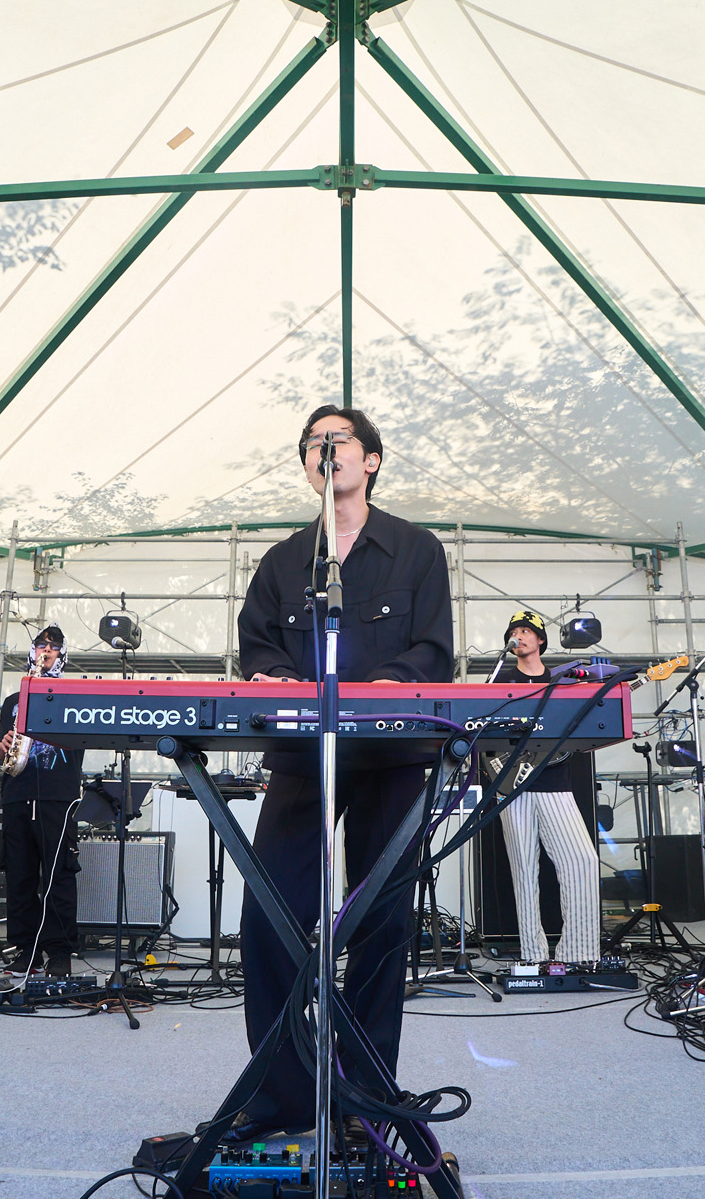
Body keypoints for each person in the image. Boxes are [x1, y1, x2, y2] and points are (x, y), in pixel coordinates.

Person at [230, 405, 453, 1139]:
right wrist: (268, 677)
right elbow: (257, 644)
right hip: (303, 755)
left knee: (382, 923)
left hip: (391, 755)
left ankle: (365, 1100)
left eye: (338, 439)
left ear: (372, 459)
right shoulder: (283, 559)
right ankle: (282, 1099)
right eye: (312, 443)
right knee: (268, 916)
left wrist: (391, 683)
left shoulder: (417, 549)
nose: (324, 450)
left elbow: (433, 649)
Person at [488, 610, 600, 967]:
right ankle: (533, 956)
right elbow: (482, 728)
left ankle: (579, 953)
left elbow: (584, 727)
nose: (519, 636)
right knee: (523, 871)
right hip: (511, 784)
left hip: (555, 783)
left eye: (526, 631)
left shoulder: (563, 682)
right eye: (514, 631)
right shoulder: (500, 680)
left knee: (582, 861)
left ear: (540, 640)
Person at [0, 626, 83, 975]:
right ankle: (25, 949)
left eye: (54, 646)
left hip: (57, 797)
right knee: (20, 876)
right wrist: (2, 747)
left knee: (59, 876)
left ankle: (59, 951)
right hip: (18, 794)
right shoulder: (13, 701)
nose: (47, 650)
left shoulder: (74, 695)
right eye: (41, 644)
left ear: (63, 655)